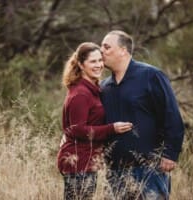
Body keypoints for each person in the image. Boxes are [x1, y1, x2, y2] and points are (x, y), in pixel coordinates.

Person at [100, 30, 185, 200]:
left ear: (123, 50)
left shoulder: (150, 76)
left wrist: (170, 154)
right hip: (114, 171)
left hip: (149, 169)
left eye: (107, 47)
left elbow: (171, 115)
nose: (101, 51)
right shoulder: (104, 86)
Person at [57, 42, 133, 200]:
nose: (98, 65)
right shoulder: (81, 93)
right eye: (93, 61)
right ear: (80, 64)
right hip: (78, 162)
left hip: (87, 161)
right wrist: (112, 129)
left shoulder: (92, 89)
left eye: (100, 60)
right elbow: (77, 129)